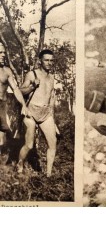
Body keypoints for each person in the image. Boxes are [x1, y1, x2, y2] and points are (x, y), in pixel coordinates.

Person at [18, 49, 57, 177]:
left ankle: (49, 175)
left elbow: (51, 96)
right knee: (29, 145)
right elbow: (20, 92)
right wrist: (32, 86)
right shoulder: (32, 74)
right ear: (40, 61)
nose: (49, 63)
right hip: (31, 112)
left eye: (51, 60)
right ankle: (20, 165)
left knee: (53, 144)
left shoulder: (52, 77)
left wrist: (52, 116)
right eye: (46, 60)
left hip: (45, 114)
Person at [0, 42, 31, 156]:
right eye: (0, 52)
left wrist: (23, 105)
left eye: (4, 52)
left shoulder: (7, 71)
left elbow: (16, 89)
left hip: (2, 105)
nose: (3, 55)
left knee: (3, 136)